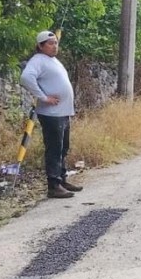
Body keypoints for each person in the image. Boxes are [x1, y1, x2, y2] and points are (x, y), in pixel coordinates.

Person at [20, 30, 82, 199]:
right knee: (54, 148)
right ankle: (53, 185)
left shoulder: (52, 60)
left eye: (56, 42)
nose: (55, 46)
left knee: (63, 147)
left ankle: (61, 179)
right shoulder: (38, 61)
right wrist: (43, 97)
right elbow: (26, 77)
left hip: (62, 112)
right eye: (51, 43)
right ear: (40, 46)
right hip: (51, 113)